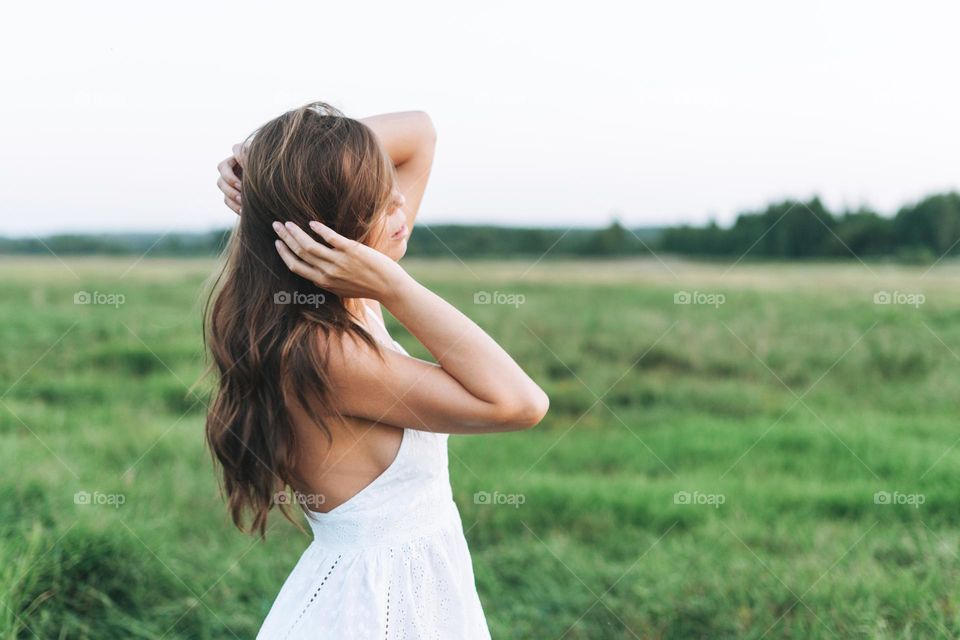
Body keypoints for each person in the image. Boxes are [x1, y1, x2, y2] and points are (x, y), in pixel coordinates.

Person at [208, 101, 549, 638]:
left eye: (394, 194)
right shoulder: (325, 350)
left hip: (409, 590)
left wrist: (276, 163)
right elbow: (519, 403)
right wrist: (396, 286)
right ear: (331, 232)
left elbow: (420, 132)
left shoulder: (342, 303)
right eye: (378, 201)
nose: (402, 212)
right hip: (373, 610)